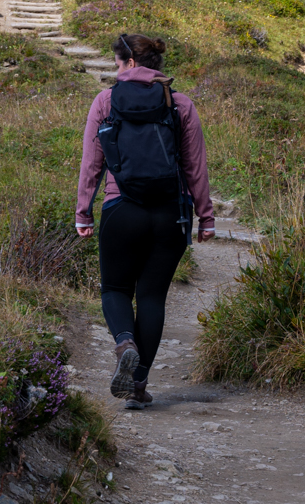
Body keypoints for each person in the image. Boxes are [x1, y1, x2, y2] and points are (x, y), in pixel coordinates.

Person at [75, 32, 214, 409]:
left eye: (117, 63)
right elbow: (194, 167)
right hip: (171, 213)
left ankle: (124, 343)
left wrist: (83, 212)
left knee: (114, 290)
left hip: (122, 209)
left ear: (130, 64)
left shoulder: (105, 101)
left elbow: (92, 164)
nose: (116, 69)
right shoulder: (180, 105)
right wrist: (206, 217)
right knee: (152, 297)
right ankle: (137, 385)